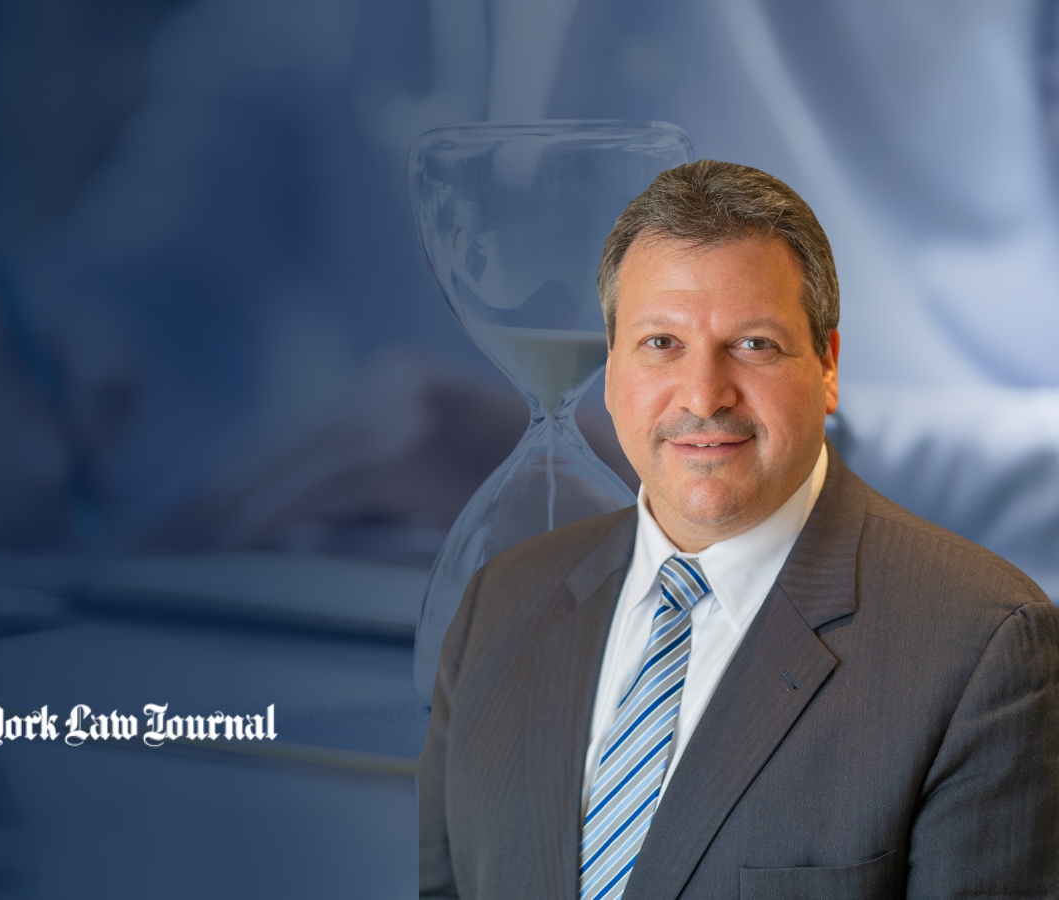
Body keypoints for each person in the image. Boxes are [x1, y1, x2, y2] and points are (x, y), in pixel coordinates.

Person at [418, 161, 1059, 899]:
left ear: (827, 367)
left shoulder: (983, 647)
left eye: (753, 344)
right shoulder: (496, 606)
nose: (703, 395)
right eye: (660, 343)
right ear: (610, 365)